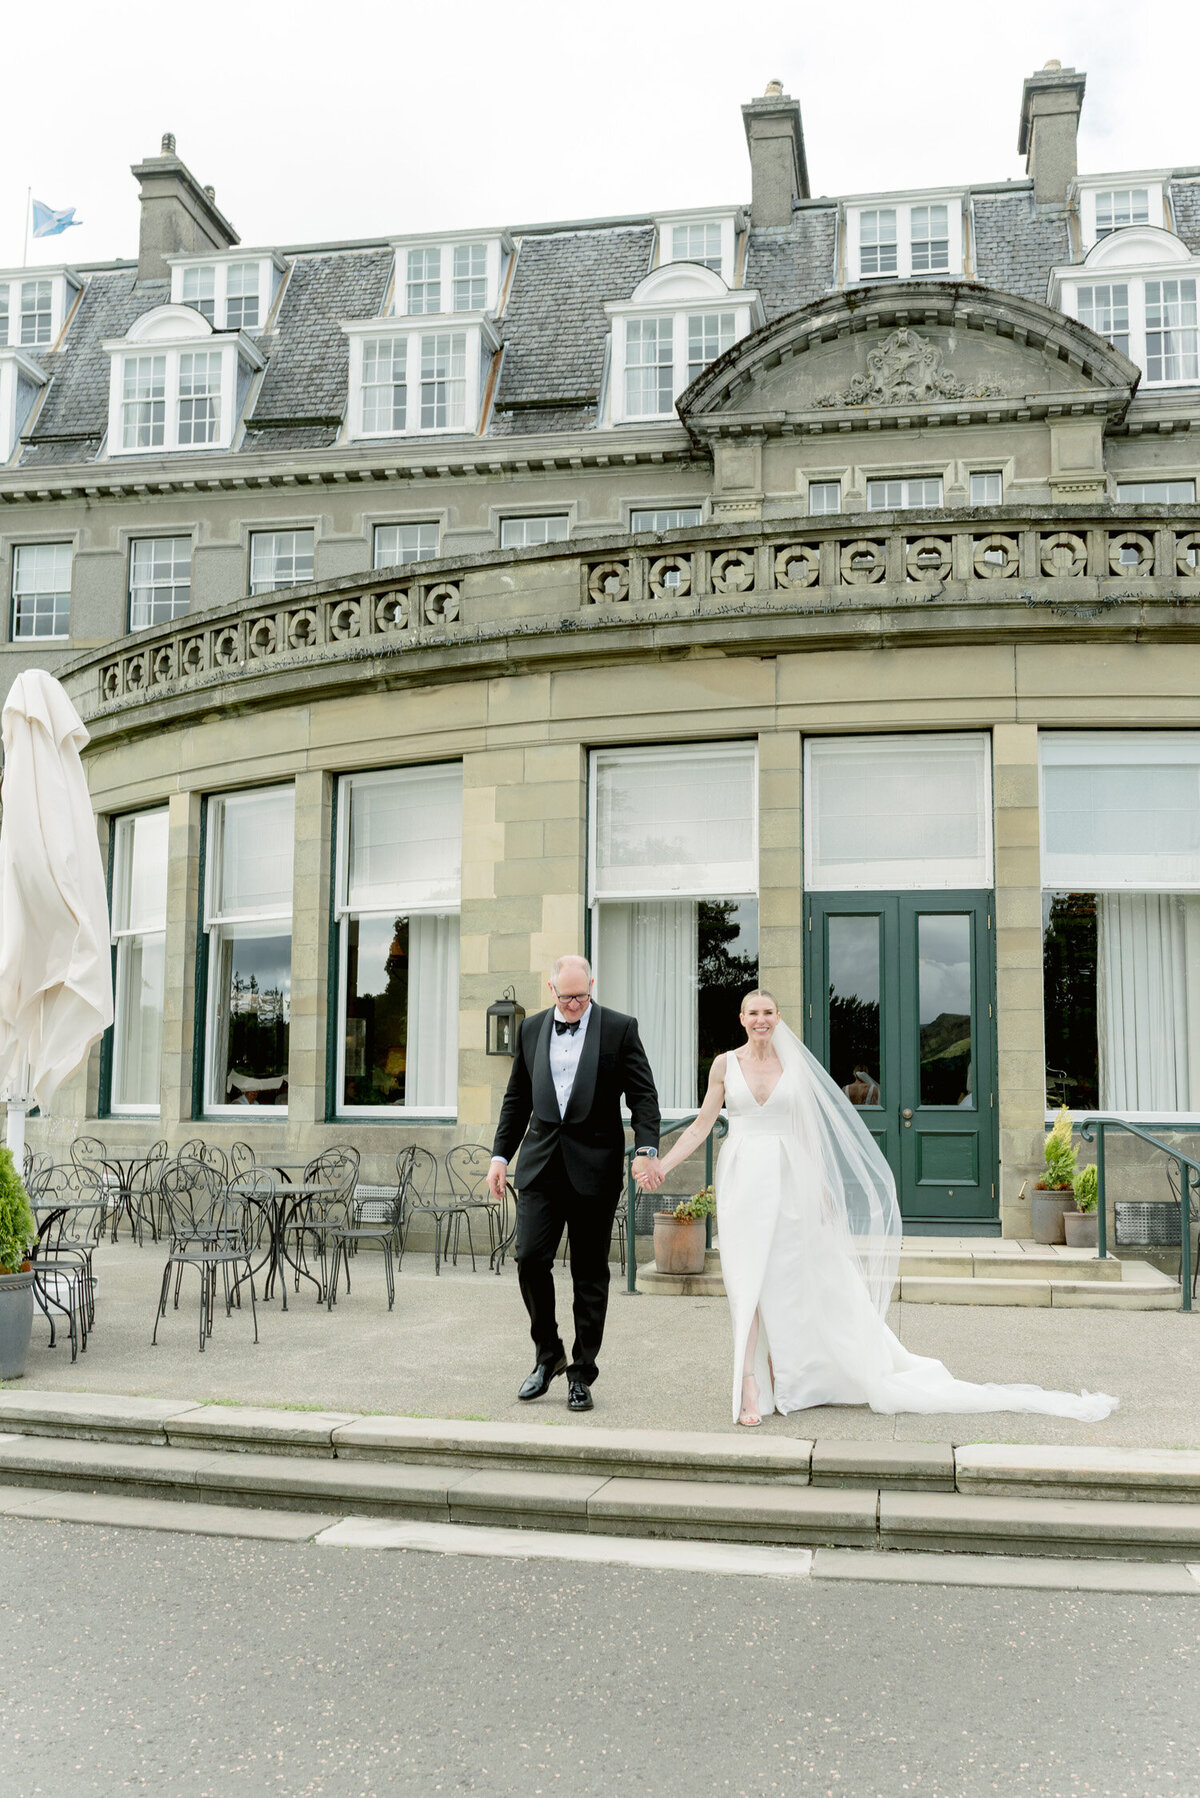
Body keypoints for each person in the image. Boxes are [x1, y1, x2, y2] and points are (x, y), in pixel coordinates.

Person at [638, 990, 1118, 1429]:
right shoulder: (724, 1065)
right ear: (741, 1019)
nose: (761, 1020)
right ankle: (748, 1384)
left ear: (777, 1018)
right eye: (753, 1013)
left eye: (768, 1012)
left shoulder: (792, 1065)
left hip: (791, 1182)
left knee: (788, 1277)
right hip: (743, 1179)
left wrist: (823, 1190)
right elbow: (702, 1127)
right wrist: (661, 1162)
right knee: (748, 1280)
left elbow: (810, 1134)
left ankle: (793, 1372)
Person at [488, 954, 660, 1413]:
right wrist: (500, 1155)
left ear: (591, 987)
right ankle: (549, 1356)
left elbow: (643, 1093)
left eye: (582, 997)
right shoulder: (530, 1030)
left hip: (595, 1170)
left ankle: (582, 1373)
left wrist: (646, 1148)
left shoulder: (619, 1028)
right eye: (567, 999)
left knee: (589, 1275)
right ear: (551, 990)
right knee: (528, 1259)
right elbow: (516, 1099)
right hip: (541, 1167)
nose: (575, 1006)